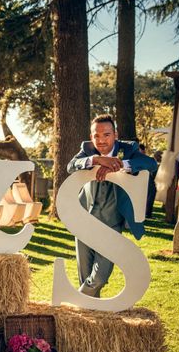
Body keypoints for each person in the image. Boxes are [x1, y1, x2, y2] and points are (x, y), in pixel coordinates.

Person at [67, 114, 157, 298]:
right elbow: (71, 165)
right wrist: (97, 160)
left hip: (111, 221)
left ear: (115, 134)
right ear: (91, 136)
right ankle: (90, 312)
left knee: (100, 276)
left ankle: (76, 302)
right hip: (84, 217)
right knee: (84, 274)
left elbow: (151, 163)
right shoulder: (87, 149)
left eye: (106, 135)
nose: (101, 140)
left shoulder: (128, 149)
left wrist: (119, 164)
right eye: (96, 135)